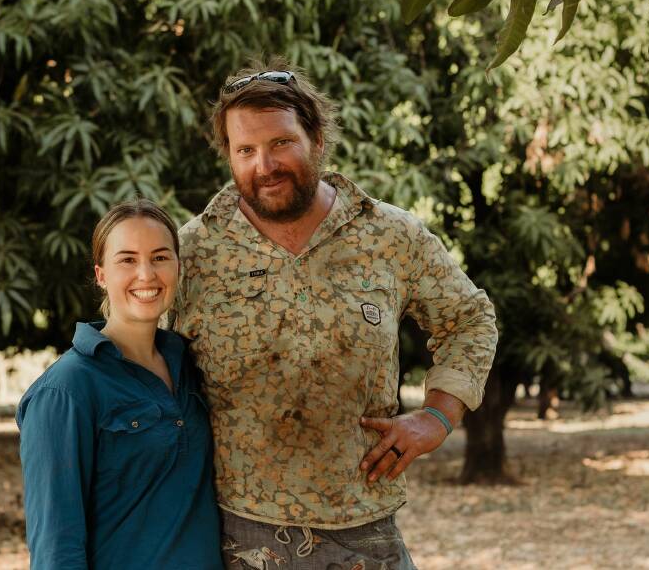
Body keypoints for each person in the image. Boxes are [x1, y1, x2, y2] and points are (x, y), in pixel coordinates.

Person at [170, 61, 498, 569]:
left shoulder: (389, 235)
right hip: (232, 535)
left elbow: (469, 318)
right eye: (246, 151)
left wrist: (439, 414)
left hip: (364, 533)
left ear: (317, 138)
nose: (265, 165)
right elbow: (134, 357)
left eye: (281, 143)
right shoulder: (190, 252)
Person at [18, 200, 222, 570]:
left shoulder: (190, 365)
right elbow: (55, 547)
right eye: (127, 260)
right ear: (100, 274)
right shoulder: (65, 391)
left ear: (178, 266)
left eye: (160, 257)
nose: (146, 274)